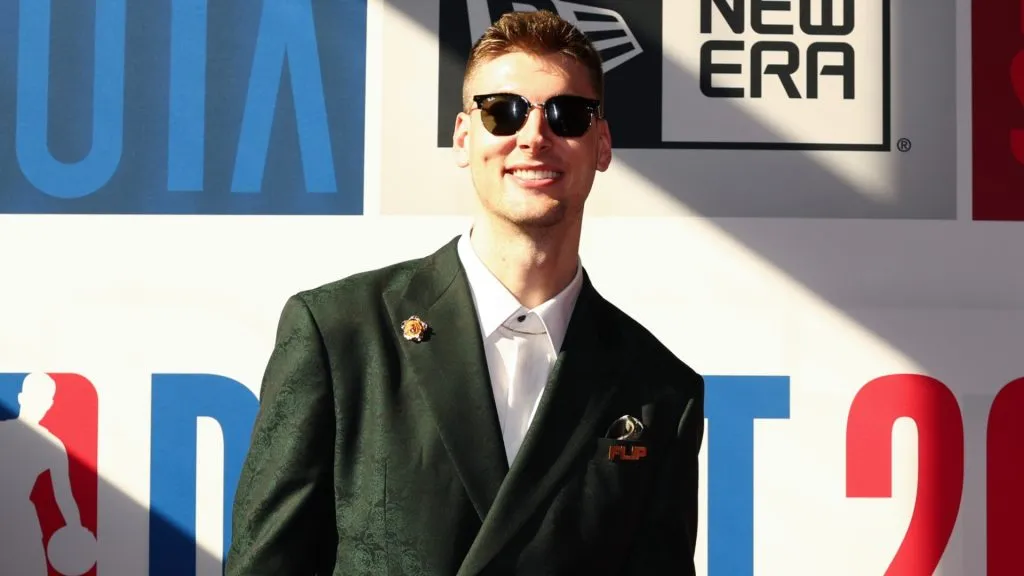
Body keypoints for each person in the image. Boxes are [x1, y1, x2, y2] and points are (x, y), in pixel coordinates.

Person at [225, 9, 704, 576]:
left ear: (600, 145)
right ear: (463, 136)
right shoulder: (340, 334)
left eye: (567, 115)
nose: (534, 136)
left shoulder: (659, 391)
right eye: (502, 112)